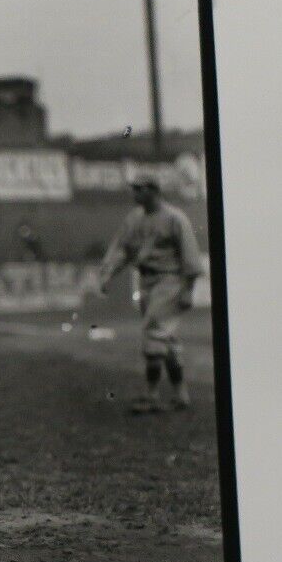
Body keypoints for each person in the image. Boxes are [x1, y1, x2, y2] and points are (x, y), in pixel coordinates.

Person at [98, 174, 203, 413]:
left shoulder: (175, 218)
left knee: (153, 333)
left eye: (140, 189)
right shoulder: (135, 218)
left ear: (154, 191)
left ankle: (151, 395)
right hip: (147, 281)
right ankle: (180, 394)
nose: (135, 194)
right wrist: (109, 274)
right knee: (166, 339)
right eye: (134, 189)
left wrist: (188, 291)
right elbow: (123, 250)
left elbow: (190, 259)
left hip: (170, 280)